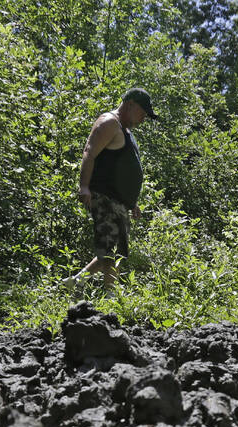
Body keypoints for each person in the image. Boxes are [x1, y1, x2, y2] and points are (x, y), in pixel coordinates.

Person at [68, 88, 157, 293]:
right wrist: (83, 186)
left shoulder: (125, 131)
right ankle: (110, 296)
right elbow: (89, 152)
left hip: (118, 201)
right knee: (110, 248)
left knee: (118, 247)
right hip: (104, 196)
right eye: (142, 113)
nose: (143, 119)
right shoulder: (109, 122)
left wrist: (131, 201)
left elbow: (123, 171)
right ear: (130, 104)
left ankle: (75, 283)